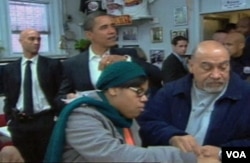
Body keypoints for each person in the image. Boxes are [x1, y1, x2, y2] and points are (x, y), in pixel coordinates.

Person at [44, 61, 219, 163]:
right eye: (138, 92)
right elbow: (120, 156)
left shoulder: (124, 116)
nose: (144, 99)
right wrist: (187, 157)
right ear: (113, 90)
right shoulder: (82, 117)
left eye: (146, 93)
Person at [138, 40, 250, 162]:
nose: (216, 75)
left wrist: (223, 154)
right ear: (191, 66)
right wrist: (171, 136)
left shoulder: (246, 96)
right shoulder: (170, 92)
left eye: (223, 67)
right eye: (207, 67)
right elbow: (147, 125)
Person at [56, 11, 162, 109]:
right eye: (104, 27)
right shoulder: (72, 64)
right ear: (89, 35)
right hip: (94, 121)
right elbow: (59, 98)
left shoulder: (129, 54)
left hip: (129, 118)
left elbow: (157, 75)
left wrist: (126, 60)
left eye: (113, 26)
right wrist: (70, 97)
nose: (112, 31)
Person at [3, 29, 62, 162]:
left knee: (48, 157)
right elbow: (9, 96)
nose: (36, 42)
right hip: (20, 123)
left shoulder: (52, 65)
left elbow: (60, 92)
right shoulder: (10, 69)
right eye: (31, 39)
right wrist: (10, 119)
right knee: (25, 158)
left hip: (45, 120)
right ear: (21, 41)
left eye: (38, 39)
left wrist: (57, 116)